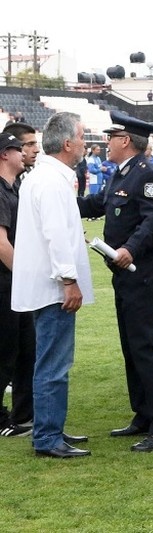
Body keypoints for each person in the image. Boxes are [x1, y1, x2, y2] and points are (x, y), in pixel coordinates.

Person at [78, 111, 153, 453]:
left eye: (111, 137)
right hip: (125, 272)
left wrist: (129, 250)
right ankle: (145, 414)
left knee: (144, 346)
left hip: (145, 271)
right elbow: (99, 204)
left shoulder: (146, 173)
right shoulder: (122, 174)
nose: (106, 143)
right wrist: (66, 202)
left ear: (125, 141)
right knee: (131, 345)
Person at [12, 113, 93, 457]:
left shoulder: (47, 176)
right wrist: (68, 280)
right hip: (54, 287)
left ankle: (50, 428)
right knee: (53, 365)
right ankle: (47, 436)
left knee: (51, 362)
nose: (85, 144)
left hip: (49, 284)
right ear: (67, 143)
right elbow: (55, 234)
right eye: (82, 137)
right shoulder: (50, 180)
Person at [0, 131, 33, 438]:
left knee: (26, 349)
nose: (23, 153)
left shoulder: (16, 188)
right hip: (5, 281)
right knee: (5, 351)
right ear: (3, 155)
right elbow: (1, 243)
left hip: (14, 281)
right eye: (17, 149)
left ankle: (22, 415)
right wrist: (25, 277)